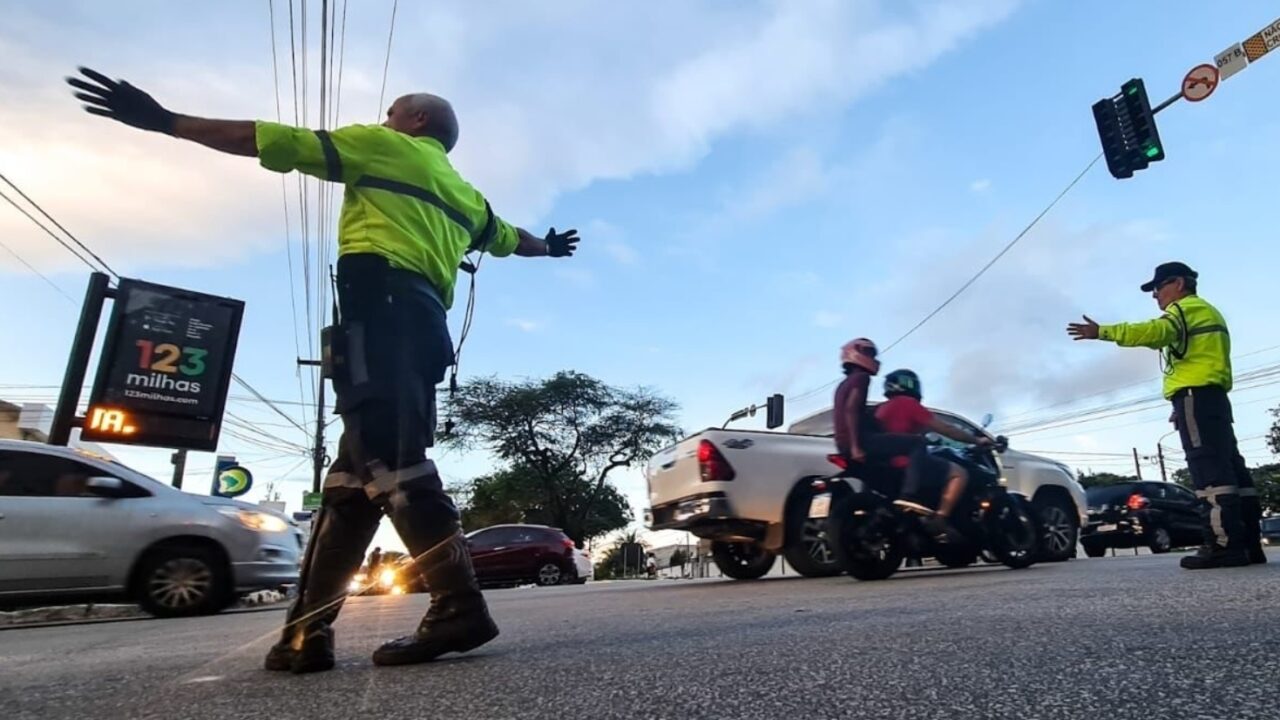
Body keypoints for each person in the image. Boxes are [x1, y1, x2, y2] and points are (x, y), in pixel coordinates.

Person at [66, 67, 582, 671]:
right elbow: (507, 237)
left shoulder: (384, 146)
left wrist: (166, 121)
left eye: (391, 111)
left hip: (381, 314)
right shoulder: (465, 195)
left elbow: (272, 140)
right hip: (421, 330)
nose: (383, 119)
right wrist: (547, 246)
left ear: (414, 122)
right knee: (348, 489)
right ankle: (305, 636)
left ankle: (460, 605)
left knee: (395, 467)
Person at [1067, 261, 1263, 569]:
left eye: (1158, 287)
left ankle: (1224, 546)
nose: (1155, 295)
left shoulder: (1184, 310)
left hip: (1196, 397)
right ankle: (1249, 544)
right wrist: (1180, 407)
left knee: (1209, 472)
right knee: (1233, 471)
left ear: (1179, 284)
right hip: (1211, 398)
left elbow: (1156, 332)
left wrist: (1102, 332)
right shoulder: (1207, 311)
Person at [874, 369, 991, 541]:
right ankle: (941, 518)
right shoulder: (908, 404)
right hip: (909, 462)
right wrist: (976, 440)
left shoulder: (880, 409)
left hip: (886, 463)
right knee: (959, 474)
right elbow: (945, 429)